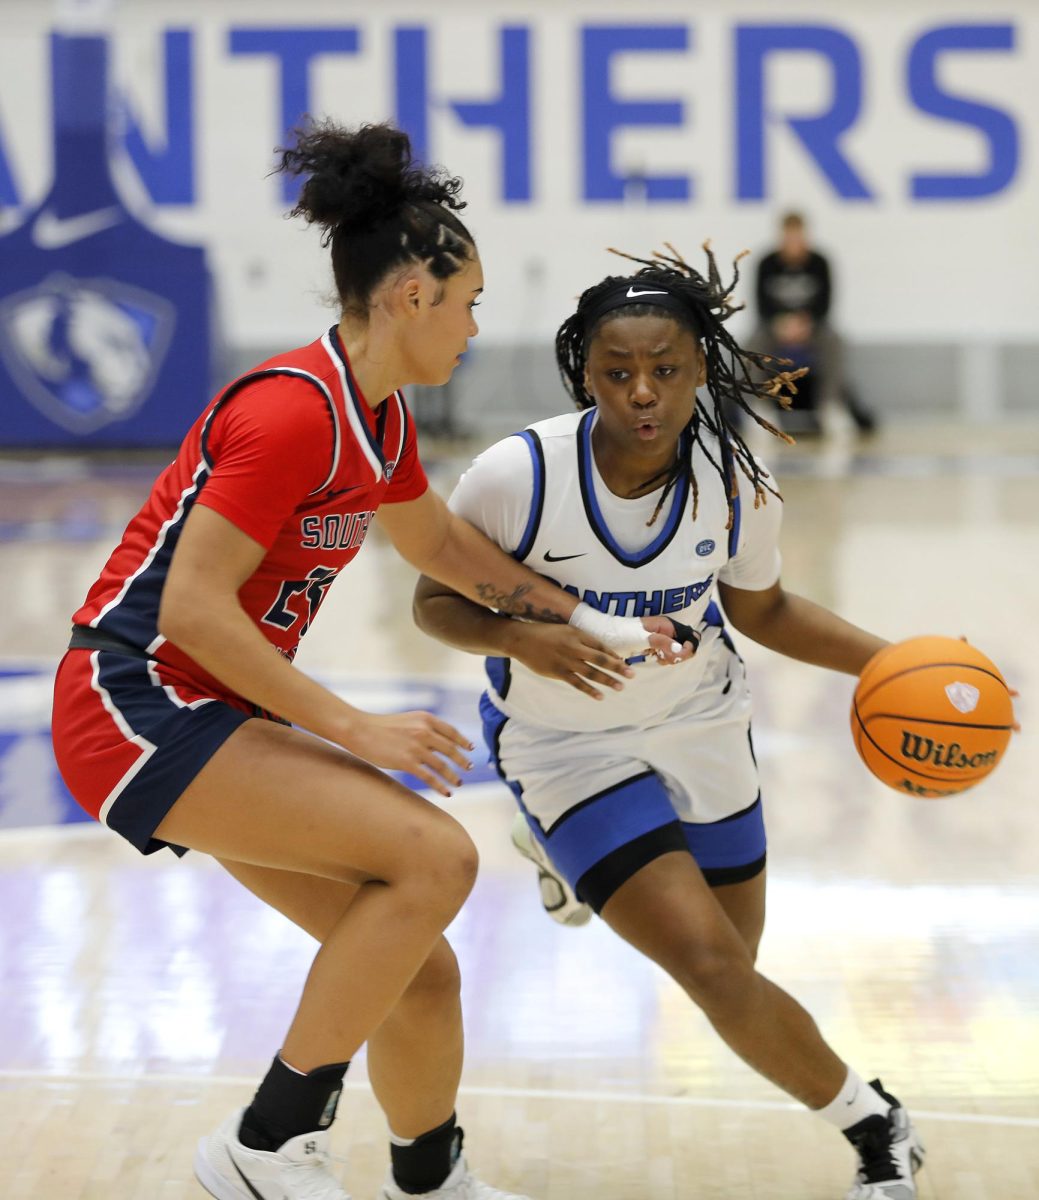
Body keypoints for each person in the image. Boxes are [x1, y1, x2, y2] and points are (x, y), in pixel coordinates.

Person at [49, 121, 683, 1200]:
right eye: (469, 301)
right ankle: (263, 1144)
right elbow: (195, 611)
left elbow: (437, 547)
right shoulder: (292, 411)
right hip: (135, 700)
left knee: (417, 969)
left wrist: (604, 623)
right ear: (409, 298)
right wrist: (353, 727)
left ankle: (429, 1179)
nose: (478, 327)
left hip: (208, 710)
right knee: (436, 860)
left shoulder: (376, 416)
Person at [413, 242, 925, 1200]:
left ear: (701, 369)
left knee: (737, 970)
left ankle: (558, 861)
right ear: (584, 374)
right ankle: (876, 1125)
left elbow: (760, 609)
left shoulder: (737, 480)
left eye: (665, 370)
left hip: (702, 722)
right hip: (565, 744)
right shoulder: (516, 476)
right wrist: (530, 643)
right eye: (617, 372)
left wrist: (891, 662)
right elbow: (431, 606)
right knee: (708, 968)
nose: (642, 392)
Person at [753, 211, 876, 435]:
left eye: (797, 238)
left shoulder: (819, 262)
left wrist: (804, 324)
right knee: (753, 342)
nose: (793, 244)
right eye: (789, 238)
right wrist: (781, 323)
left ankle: (829, 405)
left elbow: (825, 304)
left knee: (833, 339)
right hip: (776, 327)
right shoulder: (767, 263)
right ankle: (758, 407)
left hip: (811, 327)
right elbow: (761, 305)